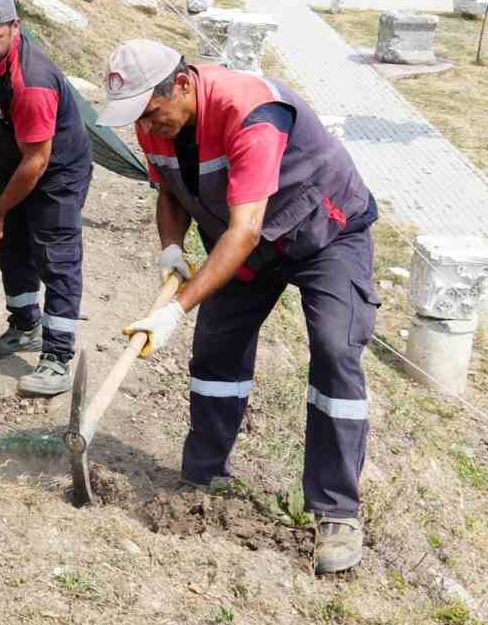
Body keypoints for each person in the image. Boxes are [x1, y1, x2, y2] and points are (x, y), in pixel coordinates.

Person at [96, 41, 381, 575]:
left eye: (153, 113)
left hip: (324, 231)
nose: (148, 127)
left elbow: (246, 229)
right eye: (140, 117)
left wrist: (175, 309)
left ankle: (336, 511)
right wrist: (172, 250)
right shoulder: (151, 115)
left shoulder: (251, 112)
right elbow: (171, 189)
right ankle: (204, 477)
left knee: (334, 353)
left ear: (181, 84)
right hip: (246, 241)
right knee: (217, 350)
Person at [0, 0, 94, 397]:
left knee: (56, 258)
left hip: (55, 174)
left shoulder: (32, 83)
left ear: (15, 29)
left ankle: (56, 358)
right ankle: (25, 325)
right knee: (11, 247)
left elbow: (37, 160)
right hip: (15, 164)